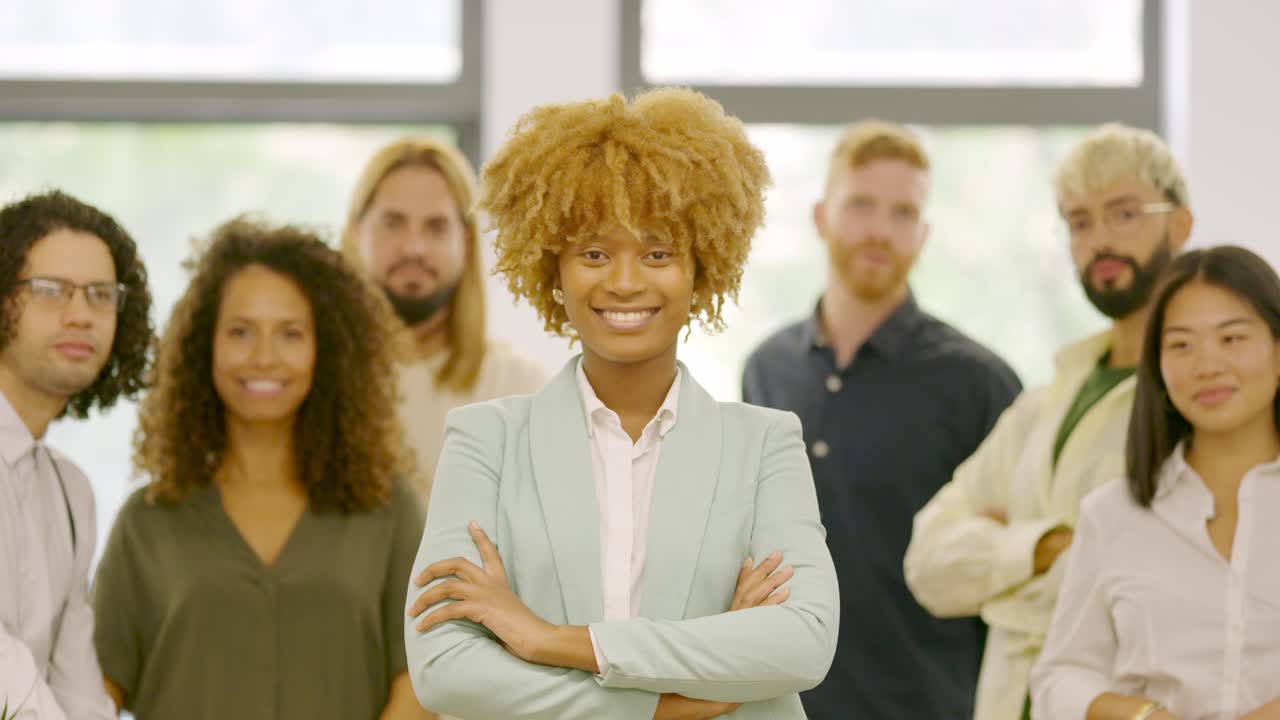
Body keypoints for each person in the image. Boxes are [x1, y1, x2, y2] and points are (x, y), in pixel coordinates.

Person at [403, 88, 840, 719]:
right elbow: (444, 670)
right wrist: (673, 703)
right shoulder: (485, 441)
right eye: (594, 253)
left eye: (658, 253)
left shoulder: (765, 444)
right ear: (555, 272)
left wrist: (550, 640)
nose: (626, 281)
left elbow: (802, 644)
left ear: (700, 272)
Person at [903, 123, 1195, 720]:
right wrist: (1045, 546)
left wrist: (1000, 568)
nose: (1100, 240)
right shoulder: (1043, 405)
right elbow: (927, 564)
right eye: (1079, 221)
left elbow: (1166, 583)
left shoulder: (1199, 400)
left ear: (1180, 225)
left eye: (1124, 214)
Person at [91, 218, 428, 719]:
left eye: (290, 334)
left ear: (326, 348)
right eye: (240, 332)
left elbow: (418, 682)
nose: (264, 357)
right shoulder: (147, 521)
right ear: (205, 345)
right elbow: (93, 691)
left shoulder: (389, 509)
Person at [743, 120, 1021, 719]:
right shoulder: (767, 370)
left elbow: (1006, 568)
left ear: (923, 235)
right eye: (861, 205)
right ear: (821, 216)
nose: (880, 230)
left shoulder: (979, 383)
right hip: (784, 704)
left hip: (933, 706)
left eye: (903, 213)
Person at [1031, 246, 1280, 720]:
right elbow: (1058, 679)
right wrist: (1143, 714)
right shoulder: (1112, 513)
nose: (1207, 365)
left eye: (1232, 338)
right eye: (1181, 345)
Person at [0, 191, 152, 720]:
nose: (81, 315)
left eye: (100, 295)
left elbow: (77, 686)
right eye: (50, 291)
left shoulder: (70, 491)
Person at [342, 137, 548, 506]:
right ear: (355, 234)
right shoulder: (315, 380)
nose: (414, 248)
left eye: (436, 227)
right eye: (393, 223)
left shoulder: (519, 390)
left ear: (466, 243)